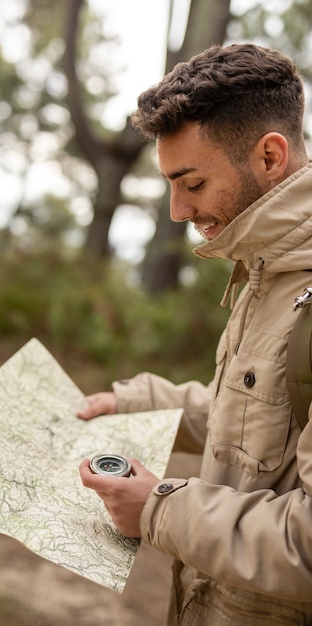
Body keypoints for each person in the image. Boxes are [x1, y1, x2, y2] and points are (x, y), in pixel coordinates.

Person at [77, 43, 312, 625]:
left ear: (270, 156)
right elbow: (263, 419)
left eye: (193, 182)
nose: (179, 210)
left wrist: (157, 511)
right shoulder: (268, 269)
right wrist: (136, 403)